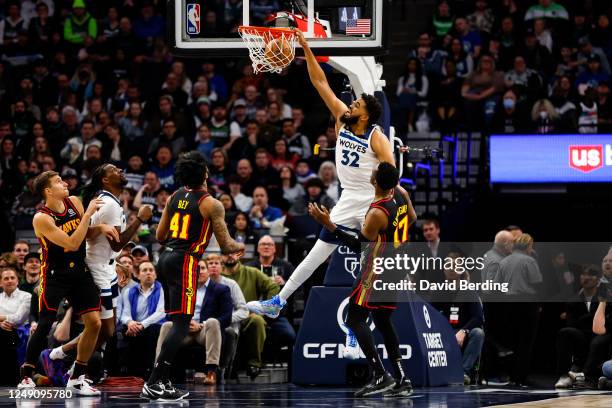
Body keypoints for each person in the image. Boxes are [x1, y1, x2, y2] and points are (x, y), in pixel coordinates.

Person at [248, 30, 395, 322]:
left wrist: (384, 201)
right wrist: (305, 47)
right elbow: (320, 82)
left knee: (368, 268)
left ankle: (356, 329)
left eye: (357, 104)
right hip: (346, 200)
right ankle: (278, 300)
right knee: (315, 254)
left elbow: (390, 173)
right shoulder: (342, 119)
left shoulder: (377, 136)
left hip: (370, 203)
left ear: (365, 115)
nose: (351, 104)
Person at [141, 151, 244, 401]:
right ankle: (154, 382)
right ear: (205, 174)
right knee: (181, 324)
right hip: (185, 261)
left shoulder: (174, 196)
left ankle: (162, 381)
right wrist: (238, 247)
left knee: (176, 321)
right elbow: (227, 244)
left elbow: (161, 235)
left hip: (165, 258)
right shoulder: (211, 203)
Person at [308, 162, 416, 397]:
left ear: (375, 182)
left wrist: (329, 225)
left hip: (377, 270)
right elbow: (413, 217)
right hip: (396, 266)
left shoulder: (377, 212)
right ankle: (402, 378)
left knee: (354, 317)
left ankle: (380, 374)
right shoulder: (402, 192)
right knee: (383, 320)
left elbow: (358, 245)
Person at [45, 164, 153, 372]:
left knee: (107, 330)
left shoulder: (110, 200)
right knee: (101, 328)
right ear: (105, 179)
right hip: (96, 269)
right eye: (114, 170)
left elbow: (104, 242)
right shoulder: (110, 204)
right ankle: (67, 361)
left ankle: (64, 356)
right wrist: (140, 218)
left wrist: (116, 261)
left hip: (105, 266)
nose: (121, 170)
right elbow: (116, 243)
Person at [20, 171, 115, 395]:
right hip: (55, 275)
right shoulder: (41, 218)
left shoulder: (74, 202)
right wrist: (89, 213)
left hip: (79, 272)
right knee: (44, 324)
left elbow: (84, 235)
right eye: (58, 182)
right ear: (48, 191)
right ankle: (26, 376)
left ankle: (77, 377)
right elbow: (72, 243)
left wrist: (99, 228)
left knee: (95, 323)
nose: (65, 183)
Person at [156, 259, 232, 385]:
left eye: (202, 268)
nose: (199, 271)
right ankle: (158, 370)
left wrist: (201, 325)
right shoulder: (182, 290)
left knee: (213, 322)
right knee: (166, 326)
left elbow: (226, 317)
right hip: (184, 330)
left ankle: (211, 372)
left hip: (205, 330)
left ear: (208, 271)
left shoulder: (221, 289)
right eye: (195, 269)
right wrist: (184, 322)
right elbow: (170, 314)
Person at [205, 255, 248, 382]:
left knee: (229, 332)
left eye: (216, 263)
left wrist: (225, 319)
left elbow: (244, 310)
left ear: (222, 268)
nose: (213, 265)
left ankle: (223, 370)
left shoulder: (231, 284)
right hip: (206, 326)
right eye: (210, 263)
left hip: (228, 325)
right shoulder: (201, 285)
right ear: (205, 268)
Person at [119, 262, 165, 378]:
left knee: (154, 329)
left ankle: (150, 371)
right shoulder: (129, 291)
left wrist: (142, 325)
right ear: (138, 275)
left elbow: (161, 313)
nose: (148, 273)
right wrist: (130, 323)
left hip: (153, 326)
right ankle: (119, 370)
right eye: (144, 270)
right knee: (120, 330)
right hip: (135, 326)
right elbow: (125, 314)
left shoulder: (162, 290)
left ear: (155, 275)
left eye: (151, 270)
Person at [0, 267, 32, 385]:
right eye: (6, 278)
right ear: (1, 282)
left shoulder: (26, 296)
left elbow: (18, 318)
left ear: (17, 281)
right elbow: (12, 317)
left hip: (20, 332)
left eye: (12, 278)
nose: (9, 281)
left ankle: (13, 379)